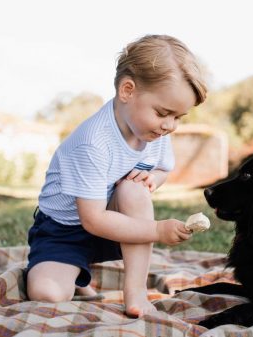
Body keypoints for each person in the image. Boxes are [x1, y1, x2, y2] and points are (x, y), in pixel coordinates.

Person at [25, 34, 207, 317]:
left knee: (134, 191)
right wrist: (158, 230)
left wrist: (152, 180)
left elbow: (162, 169)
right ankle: (72, 272)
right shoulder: (93, 142)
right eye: (163, 113)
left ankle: (135, 293)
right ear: (127, 90)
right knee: (47, 294)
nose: (170, 125)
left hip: (115, 223)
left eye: (178, 117)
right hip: (65, 230)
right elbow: (93, 219)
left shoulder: (154, 131)